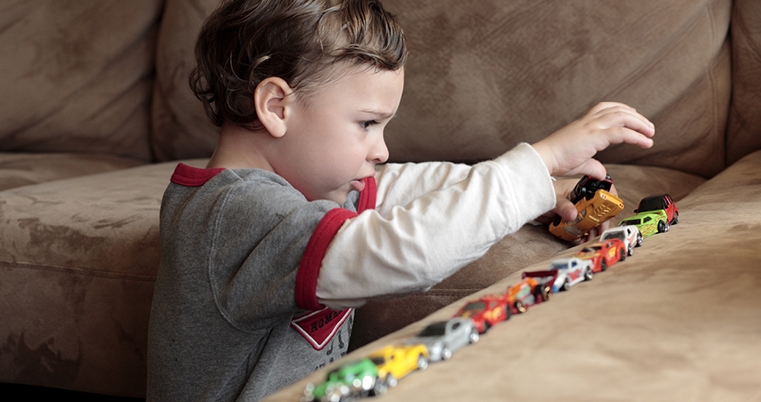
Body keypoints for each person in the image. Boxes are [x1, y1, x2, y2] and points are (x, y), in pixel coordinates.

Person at [146, 0, 655, 401]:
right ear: (277, 106)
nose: (382, 149)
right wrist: (538, 160)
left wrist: (539, 190)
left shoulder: (304, 190)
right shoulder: (234, 216)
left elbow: (400, 186)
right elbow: (404, 253)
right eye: (367, 124)